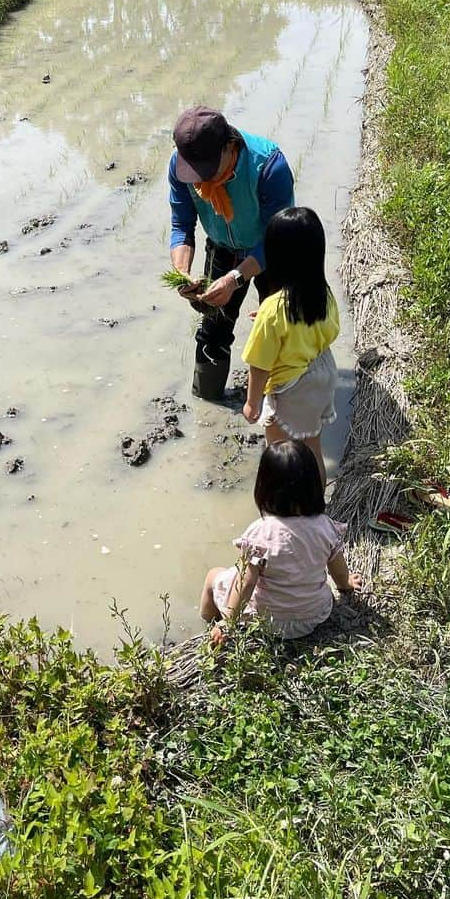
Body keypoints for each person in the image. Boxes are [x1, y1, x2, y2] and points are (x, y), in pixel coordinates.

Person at [168, 106, 294, 400]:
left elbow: (279, 238)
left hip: (271, 248)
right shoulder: (180, 167)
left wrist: (235, 278)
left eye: (207, 168)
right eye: (194, 170)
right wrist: (181, 272)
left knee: (280, 330)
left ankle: (281, 404)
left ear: (229, 146)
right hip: (221, 246)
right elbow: (181, 224)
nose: (200, 178)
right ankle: (208, 407)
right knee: (212, 330)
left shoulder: (268, 166)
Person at [199, 440, 361, 644]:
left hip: (268, 622)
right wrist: (345, 584)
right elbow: (337, 570)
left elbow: (246, 583)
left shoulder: (260, 533)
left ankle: (210, 624)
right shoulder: (324, 526)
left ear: (264, 487)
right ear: (313, 484)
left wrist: (229, 623)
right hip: (314, 615)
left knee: (214, 576)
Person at [241, 206, 339, 487]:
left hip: (292, 388)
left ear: (276, 257)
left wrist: (252, 402)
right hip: (322, 375)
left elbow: (260, 364)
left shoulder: (273, 309)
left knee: (281, 455)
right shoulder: (323, 294)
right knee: (312, 448)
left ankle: (288, 513)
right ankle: (316, 507)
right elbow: (330, 331)